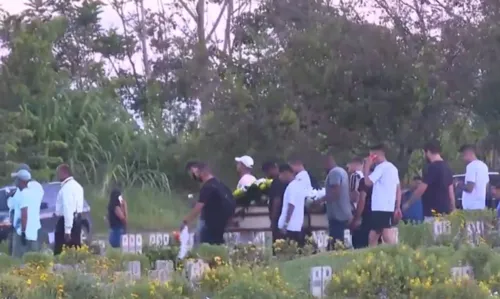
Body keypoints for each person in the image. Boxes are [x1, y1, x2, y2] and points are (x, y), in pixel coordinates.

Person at [182, 161, 235, 245]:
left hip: (211, 225)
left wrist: (186, 221)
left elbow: (198, 207)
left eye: (193, 173)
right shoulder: (220, 185)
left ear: (199, 172)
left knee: (200, 242)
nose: (193, 176)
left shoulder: (208, 187)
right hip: (222, 224)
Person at [403, 141, 454, 222]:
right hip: (446, 214)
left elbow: (421, 189)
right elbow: (451, 192)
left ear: (428, 152)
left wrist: (408, 204)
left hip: (432, 214)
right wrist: (453, 209)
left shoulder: (432, 167)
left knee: (432, 234)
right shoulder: (447, 167)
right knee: (444, 234)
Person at [363, 144, 401, 246]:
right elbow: (398, 189)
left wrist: (367, 167)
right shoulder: (393, 168)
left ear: (376, 155)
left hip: (380, 206)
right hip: (387, 206)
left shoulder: (380, 168)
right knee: (375, 233)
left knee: (385, 233)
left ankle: (395, 250)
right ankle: (372, 252)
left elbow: (367, 182)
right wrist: (397, 206)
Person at [318, 154, 351, 250]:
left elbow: (335, 192)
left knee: (336, 239)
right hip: (343, 211)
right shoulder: (342, 171)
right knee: (337, 237)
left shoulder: (334, 173)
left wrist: (320, 201)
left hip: (337, 213)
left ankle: (337, 252)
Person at [10, 169, 44, 258]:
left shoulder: (23, 194)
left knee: (18, 260)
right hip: (35, 230)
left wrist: (23, 232)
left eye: (17, 180)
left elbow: (24, 214)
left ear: (21, 181)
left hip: (23, 232)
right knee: (33, 259)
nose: (15, 182)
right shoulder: (35, 192)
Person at [54, 164, 84, 256]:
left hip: (67, 221)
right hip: (77, 219)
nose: (57, 176)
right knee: (75, 248)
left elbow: (68, 209)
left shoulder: (67, 188)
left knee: (60, 251)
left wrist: (67, 231)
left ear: (64, 173)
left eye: (58, 173)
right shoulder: (78, 186)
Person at [278, 163, 306, 247]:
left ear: (286, 173)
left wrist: (285, 224)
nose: (280, 177)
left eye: (281, 174)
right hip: (297, 226)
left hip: (290, 227)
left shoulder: (292, 187)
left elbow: (291, 205)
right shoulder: (298, 186)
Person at [262, 160, 287, 244]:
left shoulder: (276, 182)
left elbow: (277, 200)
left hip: (278, 216)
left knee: (278, 241)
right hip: (282, 215)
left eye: (267, 172)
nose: (267, 176)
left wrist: (273, 218)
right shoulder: (283, 181)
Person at [350, 166, 375, 249]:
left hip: (368, 216)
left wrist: (356, 218)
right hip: (381, 214)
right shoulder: (382, 181)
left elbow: (362, 200)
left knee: (362, 243)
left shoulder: (365, 181)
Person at [459, 144, 489, 210]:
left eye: (463, 155)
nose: (462, 158)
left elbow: (470, 188)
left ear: (469, 153)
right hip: (481, 206)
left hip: (471, 208)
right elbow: (486, 186)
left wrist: (458, 184)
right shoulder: (484, 166)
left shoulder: (471, 166)